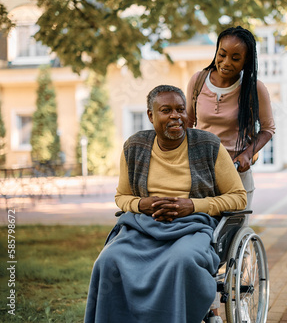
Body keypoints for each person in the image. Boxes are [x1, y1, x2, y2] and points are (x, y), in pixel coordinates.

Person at [84, 85, 247, 323]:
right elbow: (121, 197)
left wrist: (192, 206)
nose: (175, 116)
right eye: (166, 110)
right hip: (143, 227)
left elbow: (238, 196)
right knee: (109, 260)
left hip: (192, 228)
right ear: (151, 115)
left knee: (180, 260)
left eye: (180, 110)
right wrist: (143, 205)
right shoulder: (135, 147)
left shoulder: (208, 145)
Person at [186, 26, 276, 210]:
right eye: (222, 54)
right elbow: (188, 122)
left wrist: (247, 154)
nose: (226, 62)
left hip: (236, 172)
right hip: (201, 172)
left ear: (246, 60)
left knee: (232, 230)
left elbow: (268, 129)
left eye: (235, 58)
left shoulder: (254, 89)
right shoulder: (198, 81)